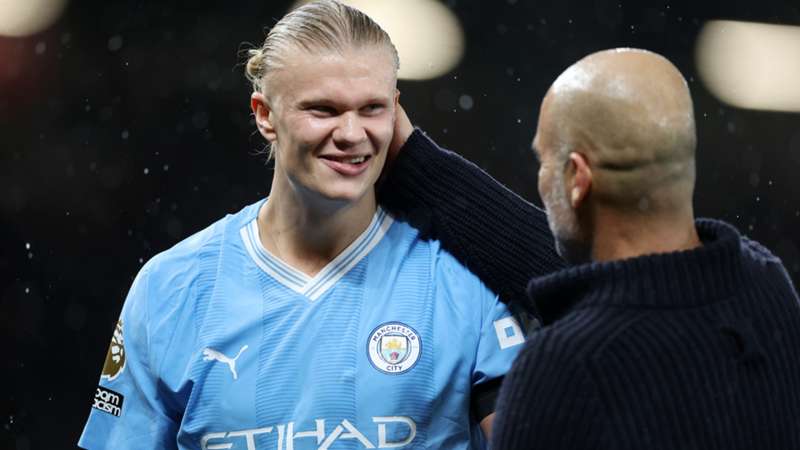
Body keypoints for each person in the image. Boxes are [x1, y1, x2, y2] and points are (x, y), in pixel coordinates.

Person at [78, 2, 527, 449]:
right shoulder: (171, 289)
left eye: (372, 108)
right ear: (264, 115)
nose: (352, 133)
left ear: (396, 111)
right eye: (324, 110)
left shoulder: (462, 278)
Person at [384, 48, 800, 448]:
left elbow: (610, 322)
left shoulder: (567, 368)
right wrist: (417, 163)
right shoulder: (766, 289)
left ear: (576, 178)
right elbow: (614, 293)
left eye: (544, 159)